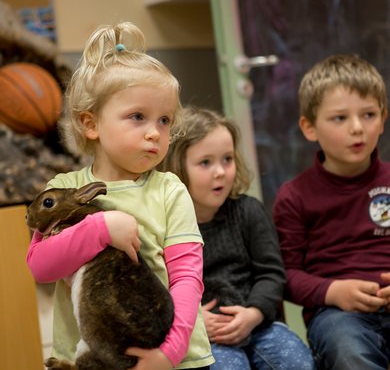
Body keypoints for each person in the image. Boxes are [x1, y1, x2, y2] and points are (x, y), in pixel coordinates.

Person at [26, 21, 214, 370]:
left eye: (164, 121)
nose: (154, 134)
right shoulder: (64, 190)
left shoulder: (169, 190)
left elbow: (187, 278)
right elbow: (40, 267)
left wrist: (168, 353)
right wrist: (99, 229)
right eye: (138, 117)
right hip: (90, 359)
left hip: (171, 359)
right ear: (91, 124)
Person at [160, 106, 315, 370]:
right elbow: (160, 286)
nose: (220, 171)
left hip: (258, 324)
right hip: (203, 334)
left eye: (227, 159)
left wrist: (253, 314)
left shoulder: (249, 211)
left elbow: (272, 274)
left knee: (296, 361)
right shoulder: (164, 225)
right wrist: (193, 323)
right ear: (178, 167)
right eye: (205, 162)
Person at [272, 54, 390, 369]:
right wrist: (331, 291)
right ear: (309, 128)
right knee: (348, 350)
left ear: (383, 118)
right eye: (340, 118)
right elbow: (285, 276)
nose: (357, 128)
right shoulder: (294, 196)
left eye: (368, 114)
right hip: (337, 315)